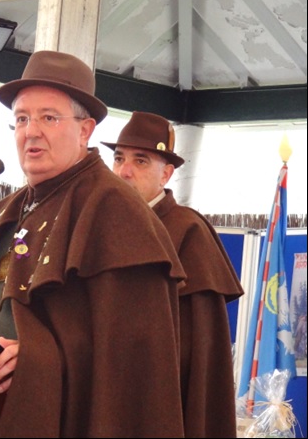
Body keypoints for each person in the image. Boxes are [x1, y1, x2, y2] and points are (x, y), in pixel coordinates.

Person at [0, 50, 187, 437]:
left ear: (85, 131)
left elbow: (133, 354)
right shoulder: (20, 204)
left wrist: (41, 357)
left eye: (48, 117)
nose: (31, 131)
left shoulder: (116, 209)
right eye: (21, 119)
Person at [102, 111, 245, 438]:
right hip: (104, 392)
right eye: (119, 158)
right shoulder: (100, 227)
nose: (124, 171)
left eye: (140, 162)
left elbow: (196, 349)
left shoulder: (187, 231)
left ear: (165, 174)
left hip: (161, 402)